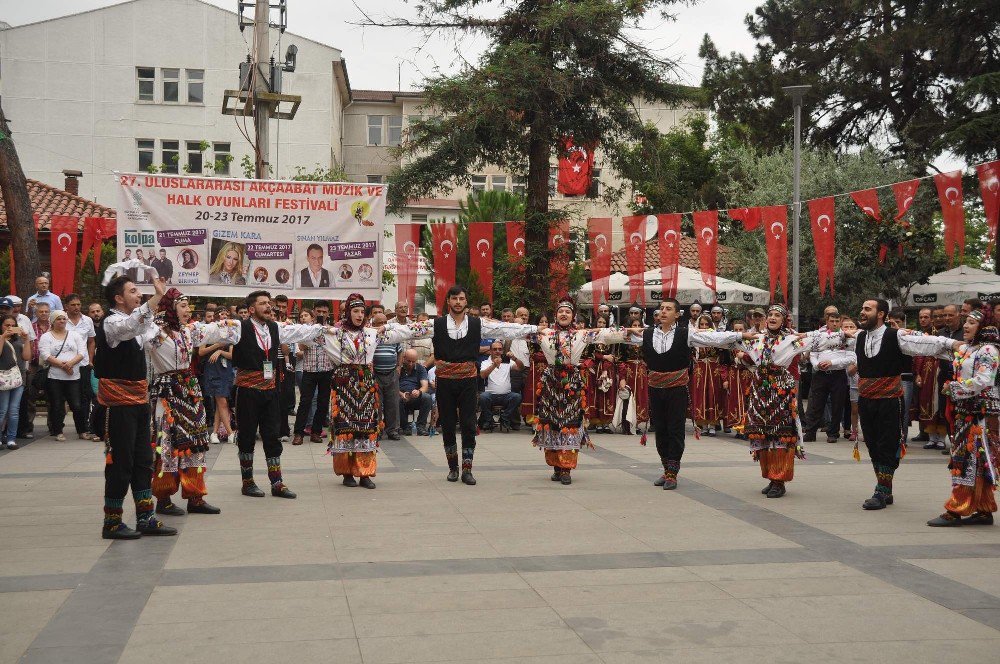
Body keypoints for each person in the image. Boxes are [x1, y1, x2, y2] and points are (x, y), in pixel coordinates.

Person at [715, 304, 847, 498]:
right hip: (760, 391)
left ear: (784, 319)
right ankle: (770, 477)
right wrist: (694, 335)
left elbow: (820, 340)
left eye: (777, 315)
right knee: (762, 434)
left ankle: (780, 479)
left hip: (780, 391)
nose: (773, 318)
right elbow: (724, 340)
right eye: (770, 315)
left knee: (780, 434)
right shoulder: (756, 338)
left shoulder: (790, 340)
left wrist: (845, 335)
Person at [843, 299, 961, 510]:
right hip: (866, 399)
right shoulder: (859, 337)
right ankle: (885, 486)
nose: (862, 312)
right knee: (872, 444)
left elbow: (926, 343)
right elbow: (833, 343)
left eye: (867, 309)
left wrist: (952, 344)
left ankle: (882, 490)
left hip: (890, 400)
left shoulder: (895, 335)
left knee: (887, 443)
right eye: (861, 308)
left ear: (880, 314)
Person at [320, 294, 431, 487]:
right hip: (343, 386)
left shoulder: (372, 333)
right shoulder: (334, 333)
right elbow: (302, 332)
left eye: (362, 311)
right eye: (355, 311)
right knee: (345, 429)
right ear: (348, 312)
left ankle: (365, 473)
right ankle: (347, 473)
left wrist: (388, 326)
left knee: (367, 428)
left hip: (365, 388)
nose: (359, 315)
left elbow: (408, 331)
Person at [635, 299, 746, 489]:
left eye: (668, 309)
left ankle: (672, 473)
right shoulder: (647, 333)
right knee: (660, 429)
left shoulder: (686, 334)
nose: (663, 312)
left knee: (675, 429)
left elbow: (714, 338)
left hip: (677, 388)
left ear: (677, 314)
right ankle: (665, 468)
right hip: (655, 388)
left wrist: (742, 335)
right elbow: (614, 336)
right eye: (661, 308)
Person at [431, 285, 536, 484]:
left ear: (466, 301)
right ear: (448, 301)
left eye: (461, 298)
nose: (458, 302)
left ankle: (467, 469)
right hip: (445, 380)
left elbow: (506, 329)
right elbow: (408, 331)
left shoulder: (477, 323)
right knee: (448, 423)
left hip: (469, 380)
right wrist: (378, 330)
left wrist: (536, 329)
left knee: (469, 423)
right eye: (454, 299)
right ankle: (453, 468)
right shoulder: (437, 324)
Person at [148, 289, 240, 517]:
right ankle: (163, 497)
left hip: (189, 392)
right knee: (167, 444)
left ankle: (195, 496)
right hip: (168, 392)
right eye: (182, 306)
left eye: (188, 306)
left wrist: (237, 322)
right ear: (169, 308)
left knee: (196, 442)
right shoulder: (156, 332)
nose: (188, 310)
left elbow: (225, 329)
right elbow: (140, 329)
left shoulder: (190, 331)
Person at [522, 298, 633, 485]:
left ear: (573, 316)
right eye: (560, 312)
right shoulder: (545, 333)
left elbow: (605, 334)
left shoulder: (581, 334)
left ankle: (566, 469)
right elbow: (519, 332)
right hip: (551, 383)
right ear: (555, 315)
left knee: (570, 423)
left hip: (572, 383)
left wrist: (630, 332)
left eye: (567, 312)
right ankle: (557, 466)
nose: (563, 314)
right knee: (551, 423)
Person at [97, 275, 175, 539]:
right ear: (118, 298)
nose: (138, 295)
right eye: (133, 291)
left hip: (140, 400)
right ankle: (112, 522)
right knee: (121, 462)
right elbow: (133, 325)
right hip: (118, 403)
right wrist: (156, 298)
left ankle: (146, 516)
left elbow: (163, 344)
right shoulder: (112, 322)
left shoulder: (140, 323)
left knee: (143, 459)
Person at [232, 290, 324, 499]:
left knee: (272, 435)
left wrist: (323, 329)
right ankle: (247, 482)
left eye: (269, 303)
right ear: (251, 309)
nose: (268, 306)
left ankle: (277, 482)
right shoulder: (240, 327)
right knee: (246, 436)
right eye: (263, 303)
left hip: (270, 390)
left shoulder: (275, 328)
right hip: (247, 391)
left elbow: (300, 331)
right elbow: (211, 332)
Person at [917, 311, 1000, 527]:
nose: (966, 326)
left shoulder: (988, 350)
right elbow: (942, 349)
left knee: (967, 460)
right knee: (973, 460)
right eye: (966, 322)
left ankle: (956, 509)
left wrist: (954, 387)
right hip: (965, 412)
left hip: (979, 416)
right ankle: (983, 509)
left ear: (983, 328)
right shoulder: (967, 348)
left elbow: (984, 379)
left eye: (971, 323)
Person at [802, 310, 852, 444]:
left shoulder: (846, 336)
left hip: (838, 374)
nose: (834, 323)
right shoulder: (819, 336)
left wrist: (832, 362)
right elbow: (813, 354)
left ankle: (833, 433)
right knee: (815, 405)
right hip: (820, 374)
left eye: (837, 321)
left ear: (840, 322)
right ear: (827, 321)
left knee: (837, 405)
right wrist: (817, 365)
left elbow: (851, 358)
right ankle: (810, 432)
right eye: (832, 321)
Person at [38, 310, 87, 441]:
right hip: (55, 376)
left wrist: (70, 364)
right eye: (59, 319)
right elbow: (45, 355)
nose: (62, 321)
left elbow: (82, 352)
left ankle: (82, 431)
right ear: (53, 321)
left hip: (73, 376)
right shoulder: (46, 337)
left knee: (76, 405)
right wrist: (64, 366)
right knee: (57, 405)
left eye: (64, 319)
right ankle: (58, 431)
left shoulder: (75, 335)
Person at [293, 308, 333, 445]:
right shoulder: (306, 331)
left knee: (323, 403)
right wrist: (310, 335)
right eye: (301, 316)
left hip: (326, 369)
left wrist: (326, 331)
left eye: (306, 315)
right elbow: (301, 347)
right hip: (309, 370)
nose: (304, 318)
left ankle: (316, 432)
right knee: (305, 402)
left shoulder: (330, 329)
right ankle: (298, 433)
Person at [63, 293, 99, 441]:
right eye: (73, 305)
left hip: (83, 364)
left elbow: (91, 341)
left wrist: (90, 360)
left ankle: (83, 429)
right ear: (66, 306)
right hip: (64, 365)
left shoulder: (87, 320)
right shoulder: (62, 319)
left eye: (78, 304)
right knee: (71, 399)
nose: (77, 307)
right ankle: (57, 427)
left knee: (85, 397)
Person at [201, 307, 236, 444]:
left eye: (226, 314)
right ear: (216, 316)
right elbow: (201, 352)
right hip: (212, 369)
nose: (224, 317)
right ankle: (230, 433)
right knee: (222, 402)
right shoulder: (208, 330)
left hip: (225, 369)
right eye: (221, 314)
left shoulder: (230, 331)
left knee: (220, 402)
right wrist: (217, 346)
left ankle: (214, 433)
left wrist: (221, 352)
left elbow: (232, 354)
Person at [614, 306, 649, 435]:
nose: (637, 328)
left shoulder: (644, 340)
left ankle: (638, 423)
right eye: (634, 325)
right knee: (628, 396)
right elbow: (620, 359)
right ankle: (627, 423)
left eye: (639, 325)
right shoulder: (623, 340)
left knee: (641, 396)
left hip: (641, 372)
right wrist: (622, 377)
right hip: (629, 371)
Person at [690, 314, 726, 436]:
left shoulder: (716, 337)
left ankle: (712, 425)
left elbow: (722, 354)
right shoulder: (694, 337)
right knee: (701, 395)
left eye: (707, 324)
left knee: (713, 394)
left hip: (713, 370)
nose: (704, 327)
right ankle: (703, 424)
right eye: (702, 324)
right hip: (700, 370)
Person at [582, 314, 618, 434]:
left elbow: (613, 356)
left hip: (608, 369)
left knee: (608, 394)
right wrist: (603, 356)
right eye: (599, 322)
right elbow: (591, 353)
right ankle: (597, 422)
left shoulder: (611, 337)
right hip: (596, 369)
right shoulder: (592, 336)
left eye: (603, 323)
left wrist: (607, 362)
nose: (601, 325)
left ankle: (606, 423)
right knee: (597, 394)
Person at [372, 309, 403, 441]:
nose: (384, 325)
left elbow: (400, 351)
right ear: (374, 324)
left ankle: (393, 430)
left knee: (393, 403)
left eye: (385, 322)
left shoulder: (393, 335)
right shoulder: (371, 335)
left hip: (392, 373)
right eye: (380, 322)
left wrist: (398, 367)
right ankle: (378, 430)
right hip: (376, 374)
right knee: (376, 404)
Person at [477, 341, 523, 432]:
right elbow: (482, 375)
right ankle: (489, 419)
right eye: (495, 349)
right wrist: (494, 365)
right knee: (482, 397)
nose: (497, 351)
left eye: (500, 349)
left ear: (502, 351)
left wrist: (514, 358)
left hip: (506, 395)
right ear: (490, 351)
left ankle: (504, 417)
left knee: (517, 396)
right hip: (490, 395)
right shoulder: (486, 362)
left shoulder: (507, 361)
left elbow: (520, 368)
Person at [0, 314, 30, 449]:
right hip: (3, 379)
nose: (10, 328)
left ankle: (11, 438)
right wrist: (3, 337)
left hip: (18, 378)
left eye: (13, 325)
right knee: (3, 409)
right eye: (7, 325)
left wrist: (26, 340)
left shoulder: (18, 341)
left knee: (14, 410)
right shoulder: (1, 338)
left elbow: (27, 357)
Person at [911, 307, 939, 445]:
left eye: (926, 317)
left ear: (932, 318)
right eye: (921, 317)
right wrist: (917, 373)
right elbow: (917, 355)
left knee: (932, 402)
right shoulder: (918, 334)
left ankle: (936, 437)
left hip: (933, 373)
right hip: (920, 372)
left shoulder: (938, 334)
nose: (923, 319)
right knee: (921, 401)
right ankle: (924, 433)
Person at [723, 320, 752, 439]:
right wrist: (725, 379)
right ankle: (738, 428)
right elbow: (725, 363)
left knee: (747, 401)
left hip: (748, 375)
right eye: (736, 330)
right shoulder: (729, 345)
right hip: (734, 376)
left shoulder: (751, 343)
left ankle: (747, 428)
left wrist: (744, 357)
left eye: (741, 330)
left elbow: (756, 358)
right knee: (736, 401)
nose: (739, 332)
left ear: (746, 331)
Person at [399, 349, 432, 435]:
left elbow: (425, 386)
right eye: (408, 361)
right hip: (401, 395)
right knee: (396, 400)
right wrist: (401, 394)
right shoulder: (398, 369)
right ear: (403, 358)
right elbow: (393, 386)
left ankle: (420, 426)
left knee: (427, 397)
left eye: (413, 361)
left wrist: (418, 392)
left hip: (414, 396)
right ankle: (405, 427)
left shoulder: (420, 368)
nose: (410, 364)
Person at [840, 317, 861, 441]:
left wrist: (857, 366)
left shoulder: (861, 338)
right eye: (845, 327)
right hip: (842, 375)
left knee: (860, 407)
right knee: (851, 407)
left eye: (851, 327)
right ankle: (852, 430)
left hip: (857, 374)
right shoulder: (836, 339)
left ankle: (862, 430)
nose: (848, 329)